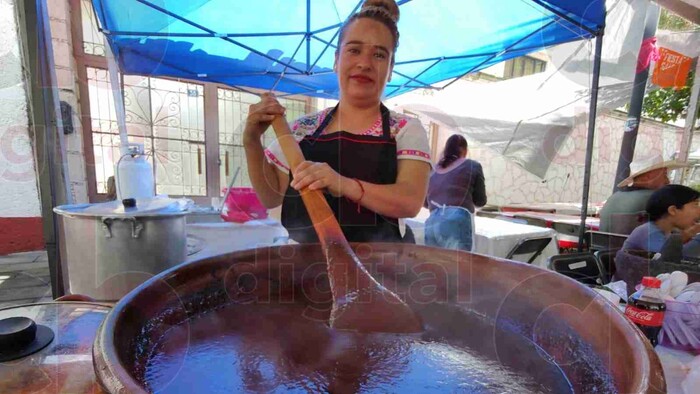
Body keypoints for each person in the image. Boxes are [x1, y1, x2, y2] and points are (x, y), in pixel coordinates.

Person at [243, 0, 432, 244]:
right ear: (336, 59)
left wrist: (342, 183)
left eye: (379, 54)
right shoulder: (302, 130)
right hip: (306, 268)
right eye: (354, 50)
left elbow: (410, 201)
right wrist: (251, 141)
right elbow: (271, 197)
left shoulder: (405, 129)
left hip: (384, 267)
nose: (364, 63)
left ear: (391, 67)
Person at [424, 135, 486, 251]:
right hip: (457, 221)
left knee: (434, 265)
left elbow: (426, 202)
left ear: (445, 150)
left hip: (432, 223)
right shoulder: (473, 166)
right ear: (465, 150)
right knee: (459, 266)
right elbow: (480, 201)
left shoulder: (432, 170)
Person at [599, 154, 687, 234]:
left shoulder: (614, 196)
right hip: (638, 250)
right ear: (648, 177)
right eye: (664, 175)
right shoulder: (655, 198)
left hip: (603, 250)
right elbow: (679, 231)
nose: (667, 181)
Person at [622, 184, 700, 259]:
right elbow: (671, 258)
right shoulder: (648, 231)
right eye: (695, 205)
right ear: (673, 210)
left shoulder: (670, 232)